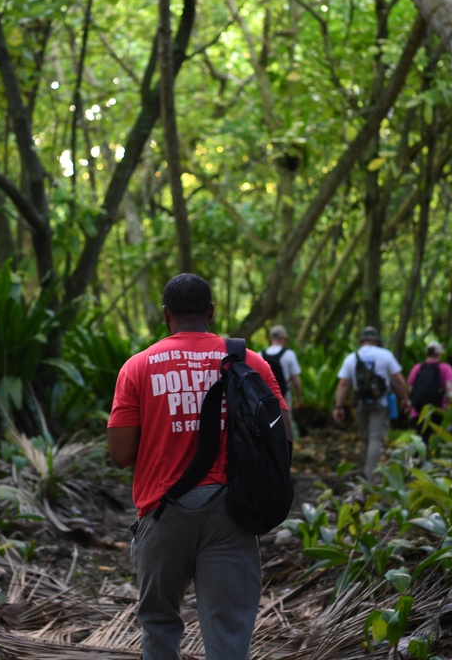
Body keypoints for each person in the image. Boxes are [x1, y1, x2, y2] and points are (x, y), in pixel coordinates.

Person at [107, 273, 291, 660]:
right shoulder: (250, 361)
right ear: (211, 311)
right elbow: (283, 436)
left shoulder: (138, 367)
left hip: (164, 510)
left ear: (165, 315)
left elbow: (121, 453)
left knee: (158, 622)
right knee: (228, 627)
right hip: (233, 511)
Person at [332, 326, 410, 479]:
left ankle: (366, 472)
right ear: (376, 339)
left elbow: (343, 384)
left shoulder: (351, 358)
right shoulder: (385, 355)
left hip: (361, 403)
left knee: (366, 437)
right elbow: (398, 380)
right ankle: (370, 477)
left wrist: (338, 406)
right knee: (376, 438)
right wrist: (405, 399)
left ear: (362, 340)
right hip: (380, 403)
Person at [407, 341, 452, 440]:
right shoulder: (445, 368)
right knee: (436, 441)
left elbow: (410, 388)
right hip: (439, 411)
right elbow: (450, 389)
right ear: (440, 354)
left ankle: (419, 456)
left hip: (418, 412)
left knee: (420, 440)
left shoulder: (417, 368)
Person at [261, 324, 302, 412]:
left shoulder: (259, 355)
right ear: (283, 338)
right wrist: (298, 398)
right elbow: (296, 380)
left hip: (264, 399)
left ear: (271, 338)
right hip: (284, 397)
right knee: (285, 424)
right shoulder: (289, 354)